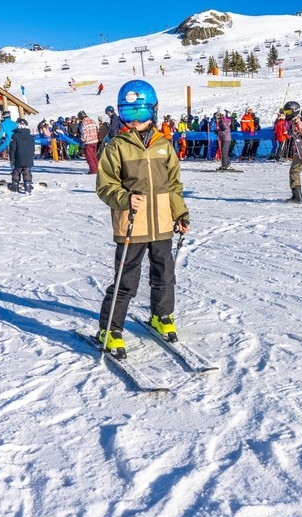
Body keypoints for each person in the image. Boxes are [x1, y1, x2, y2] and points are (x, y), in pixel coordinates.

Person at [95, 79, 190, 357]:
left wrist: (180, 212)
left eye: (140, 114)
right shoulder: (116, 147)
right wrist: (124, 198)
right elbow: (105, 185)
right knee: (126, 279)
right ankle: (110, 329)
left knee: (164, 275)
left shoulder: (164, 146)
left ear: (153, 111)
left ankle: (162, 316)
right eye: (128, 114)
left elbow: (173, 185)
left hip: (161, 222)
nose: (134, 120)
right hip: (131, 224)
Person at [8, 117, 36, 193]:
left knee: (16, 171)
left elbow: (12, 149)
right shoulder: (30, 136)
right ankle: (28, 186)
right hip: (28, 158)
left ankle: (15, 186)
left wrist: (11, 159)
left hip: (18, 157)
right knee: (27, 171)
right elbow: (33, 148)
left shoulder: (15, 136)